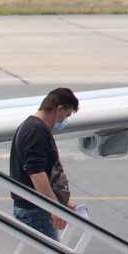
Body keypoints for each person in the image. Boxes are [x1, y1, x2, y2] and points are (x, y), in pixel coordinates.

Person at [8, 87, 80, 240]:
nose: (63, 122)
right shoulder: (36, 131)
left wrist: (62, 202)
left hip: (35, 210)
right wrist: (54, 208)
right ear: (59, 109)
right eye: (65, 116)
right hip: (36, 212)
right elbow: (37, 174)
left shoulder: (31, 126)